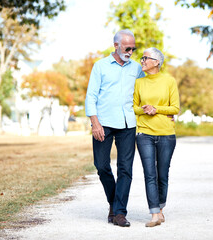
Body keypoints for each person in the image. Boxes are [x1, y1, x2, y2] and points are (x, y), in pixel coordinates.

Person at [85, 29, 145, 227]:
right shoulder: (100, 66)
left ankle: (119, 213)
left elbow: (147, 90)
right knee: (101, 166)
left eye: (133, 48)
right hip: (103, 123)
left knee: (125, 169)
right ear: (116, 46)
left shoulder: (136, 68)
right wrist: (94, 122)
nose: (131, 51)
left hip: (128, 124)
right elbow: (91, 96)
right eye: (127, 47)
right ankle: (114, 202)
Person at [133, 47, 180, 227]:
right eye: (142, 58)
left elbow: (175, 108)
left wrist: (156, 109)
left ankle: (160, 209)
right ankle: (154, 214)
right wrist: (145, 109)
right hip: (144, 133)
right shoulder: (139, 83)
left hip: (166, 134)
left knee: (162, 174)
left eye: (146, 58)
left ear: (156, 62)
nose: (142, 60)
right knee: (149, 174)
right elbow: (133, 106)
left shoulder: (169, 81)